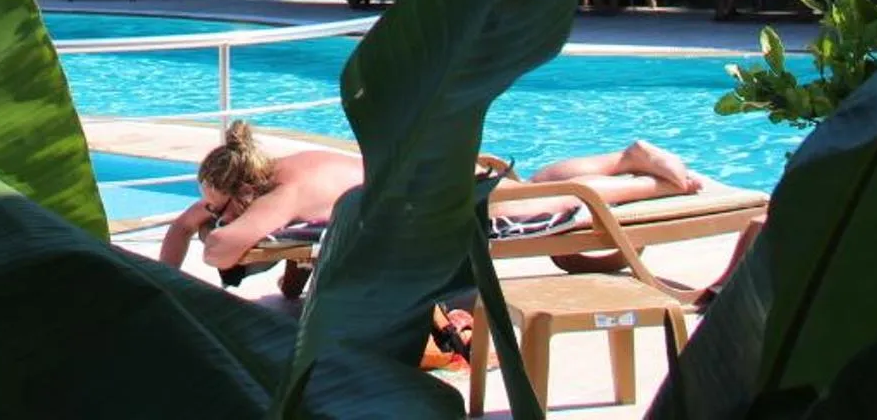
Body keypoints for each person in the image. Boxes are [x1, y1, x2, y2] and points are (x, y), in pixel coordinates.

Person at [157, 120, 705, 275]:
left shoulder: (283, 192)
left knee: (552, 200)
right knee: (536, 185)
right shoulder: (280, 166)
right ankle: (625, 156)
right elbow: (185, 226)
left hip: (443, 200)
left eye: (220, 206)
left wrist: (214, 225)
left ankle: (651, 184)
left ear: (244, 189)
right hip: (435, 176)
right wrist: (196, 220)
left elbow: (221, 251)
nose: (214, 215)